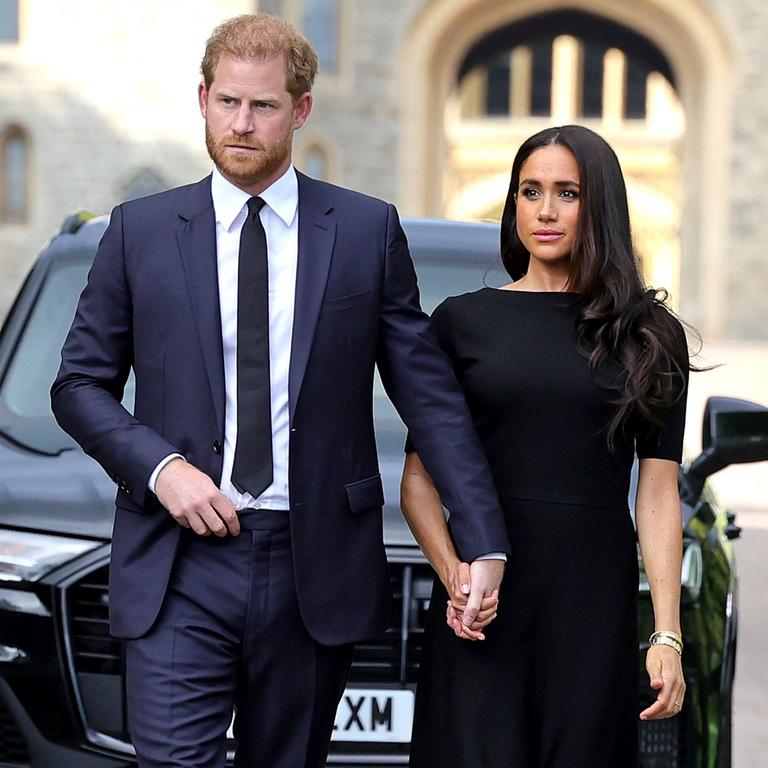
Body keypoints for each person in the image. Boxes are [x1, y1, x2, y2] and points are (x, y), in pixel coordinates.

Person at [50, 14, 510, 768]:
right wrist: (161, 468)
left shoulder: (364, 232)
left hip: (314, 563)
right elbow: (78, 385)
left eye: (263, 106)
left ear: (300, 110)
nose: (241, 122)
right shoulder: (138, 232)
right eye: (227, 101)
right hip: (178, 563)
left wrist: (482, 540)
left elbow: (430, 399)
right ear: (202, 99)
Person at [401, 125, 690, 768]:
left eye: (567, 192)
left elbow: (659, 487)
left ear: (602, 206)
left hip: (592, 605)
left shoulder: (650, 335)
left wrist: (665, 632)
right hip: (482, 606)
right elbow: (420, 479)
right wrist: (454, 576)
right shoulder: (461, 322)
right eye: (529, 191)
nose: (546, 211)